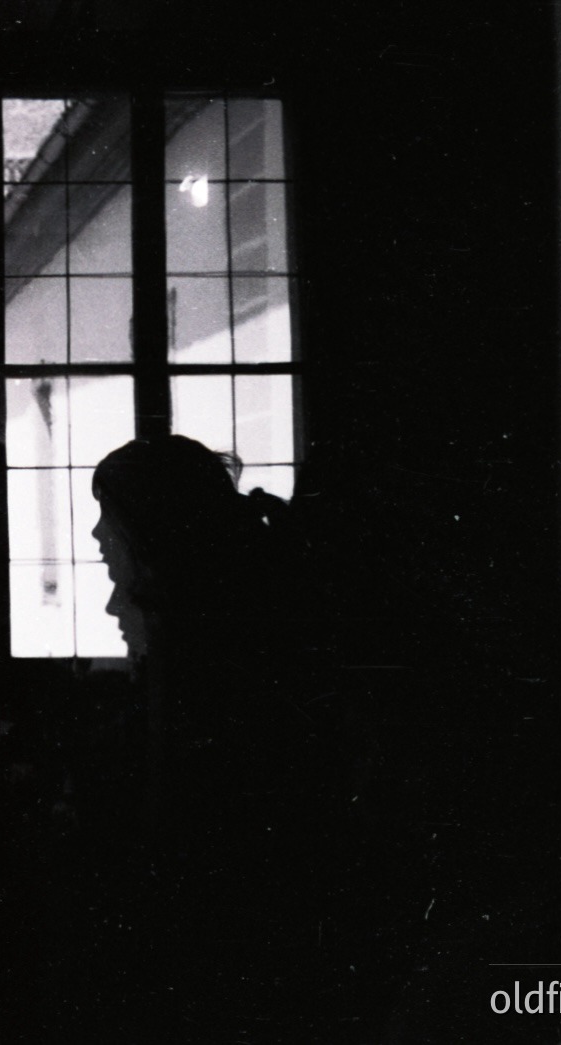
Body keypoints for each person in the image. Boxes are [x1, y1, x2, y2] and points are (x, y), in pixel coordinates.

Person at [89, 435, 370, 1042]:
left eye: (107, 516)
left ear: (150, 524)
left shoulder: (197, 638)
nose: (95, 536)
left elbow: (186, 798)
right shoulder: (231, 609)